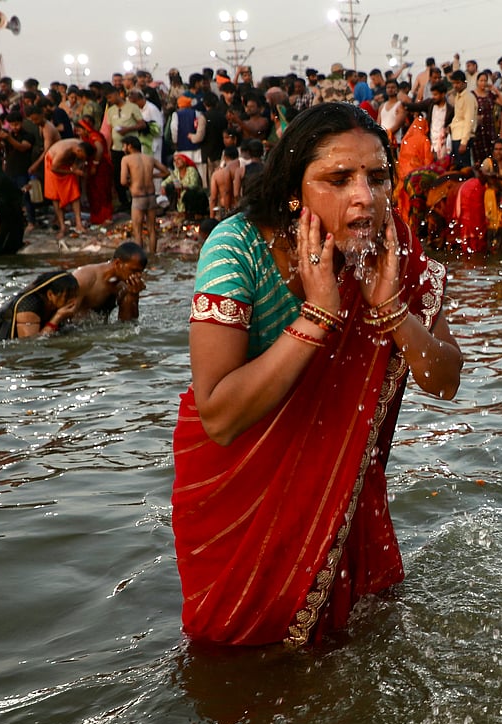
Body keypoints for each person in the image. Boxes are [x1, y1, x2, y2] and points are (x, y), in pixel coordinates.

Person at [171, 102, 463, 647]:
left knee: (360, 649)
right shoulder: (236, 250)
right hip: (241, 517)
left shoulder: (391, 246)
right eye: (338, 179)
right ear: (293, 191)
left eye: (378, 178)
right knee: (236, 666)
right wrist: (318, 318)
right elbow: (219, 415)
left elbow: (444, 379)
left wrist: (393, 310)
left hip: (344, 505)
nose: (365, 197)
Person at [0, 268, 80, 340]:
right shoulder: (29, 305)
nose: (73, 301)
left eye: (75, 296)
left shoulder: (55, 304)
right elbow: (30, 343)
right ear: (50, 294)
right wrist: (57, 318)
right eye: (68, 297)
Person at [69, 240, 148, 321]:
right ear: (117, 263)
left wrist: (133, 295)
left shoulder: (126, 285)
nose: (138, 276)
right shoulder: (86, 278)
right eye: (134, 271)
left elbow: (127, 324)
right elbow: (63, 314)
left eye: (140, 272)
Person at [120, 136, 168, 254]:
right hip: (151, 196)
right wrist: (152, 176)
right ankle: (153, 255)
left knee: (138, 231)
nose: (123, 148)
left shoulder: (126, 159)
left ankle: (139, 258)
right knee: (152, 229)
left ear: (129, 146)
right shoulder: (149, 158)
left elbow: (123, 181)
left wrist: (131, 184)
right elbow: (165, 171)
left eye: (124, 145)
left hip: (138, 197)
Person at [42, 138, 94, 238]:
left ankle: (79, 224)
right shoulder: (63, 152)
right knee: (55, 196)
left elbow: (79, 160)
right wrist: (73, 172)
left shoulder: (79, 145)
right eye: (83, 157)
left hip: (67, 165)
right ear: (79, 151)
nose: (84, 159)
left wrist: (76, 166)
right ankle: (62, 226)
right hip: (53, 164)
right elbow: (54, 168)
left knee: (74, 193)